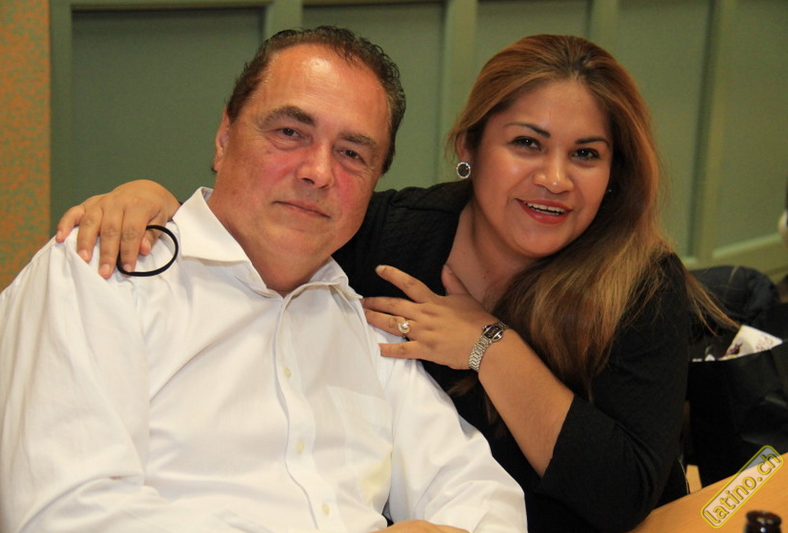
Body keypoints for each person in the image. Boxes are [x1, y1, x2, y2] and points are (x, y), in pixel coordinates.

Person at [55, 34, 733, 533]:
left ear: (613, 172)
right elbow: (266, 217)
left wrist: (489, 345)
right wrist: (154, 203)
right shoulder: (385, 236)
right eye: (527, 143)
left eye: (585, 154)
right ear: (470, 149)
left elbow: (622, 498)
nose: (554, 178)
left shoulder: (636, 281)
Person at [0, 27, 529, 533]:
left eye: (352, 153)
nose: (319, 171)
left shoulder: (367, 332)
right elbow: (64, 515)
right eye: (290, 133)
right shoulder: (99, 276)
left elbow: (486, 498)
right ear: (224, 138)